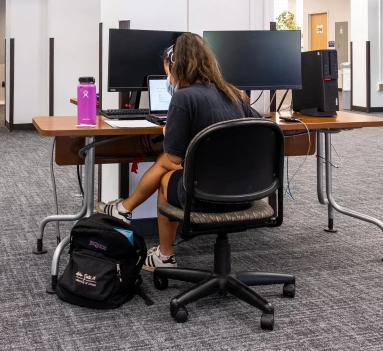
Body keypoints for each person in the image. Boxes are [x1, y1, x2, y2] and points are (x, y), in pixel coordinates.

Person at [96, 32, 261, 271]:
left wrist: (171, 137)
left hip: (206, 197)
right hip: (246, 193)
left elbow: (173, 158)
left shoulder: (184, 98)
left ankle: (163, 254)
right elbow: (261, 130)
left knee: (166, 171)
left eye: (167, 71)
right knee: (174, 165)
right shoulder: (234, 94)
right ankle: (125, 210)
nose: (168, 77)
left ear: (176, 67)